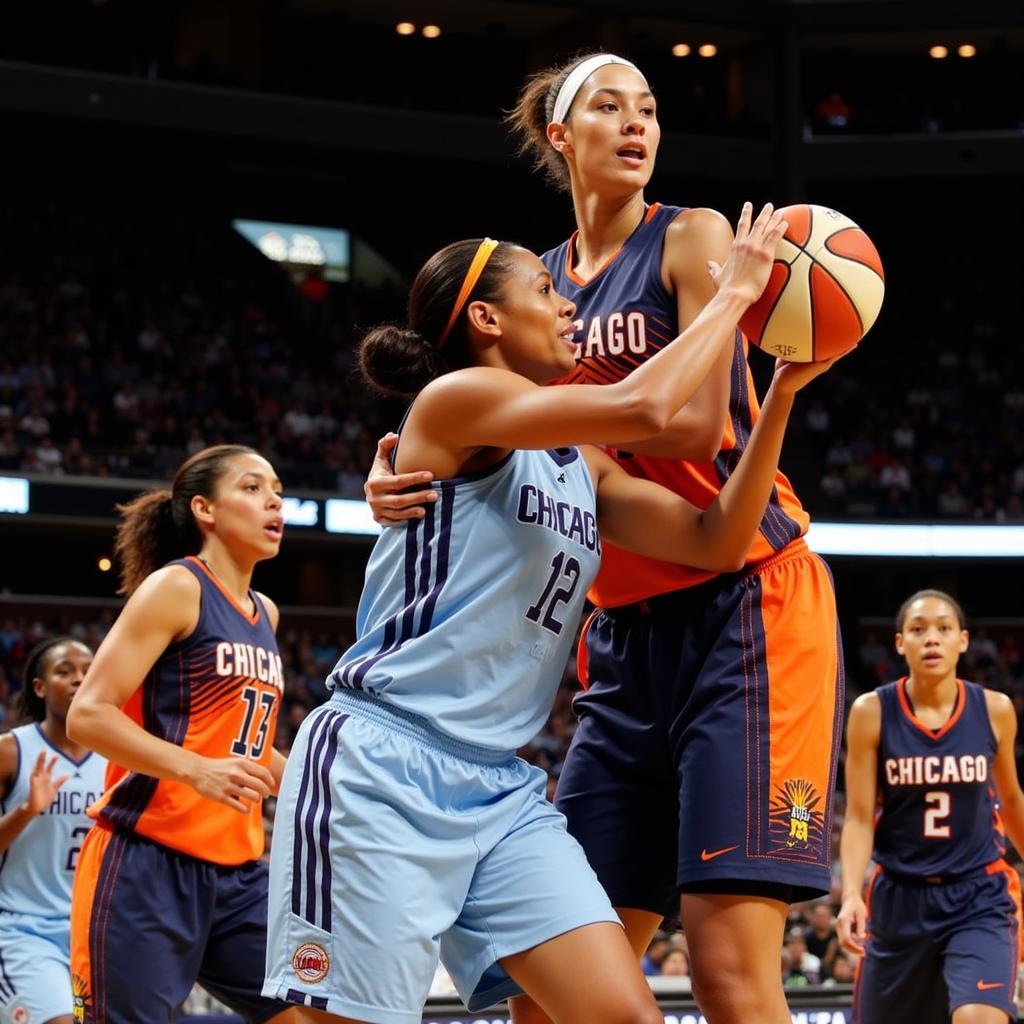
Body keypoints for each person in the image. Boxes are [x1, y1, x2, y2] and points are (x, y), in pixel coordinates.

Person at [264, 208, 836, 1024]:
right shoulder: (456, 401)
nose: (569, 304)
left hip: (498, 785)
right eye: (545, 288)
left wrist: (777, 392)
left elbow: (716, 541)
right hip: (384, 767)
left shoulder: (581, 462)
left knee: (621, 1016)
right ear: (488, 320)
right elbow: (646, 407)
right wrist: (732, 299)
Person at [366, 52, 845, 1024]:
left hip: (748, 606)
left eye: (650, 110)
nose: (636, 124)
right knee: (549, 997)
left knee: (724, 968)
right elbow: (501, 436)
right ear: (560, 135)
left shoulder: (694, 236)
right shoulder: (532, 289)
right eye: (610, 107)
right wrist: (408, 460)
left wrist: (718, 320)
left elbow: (684, 424)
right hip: (620, 636)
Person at [65, 444, 298, 1024]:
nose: (273, 500)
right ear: (204, 509)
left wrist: (319, 785)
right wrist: (196, 769)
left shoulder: (263, 612)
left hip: (239, 873)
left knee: (317, 1011)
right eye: (251, 487)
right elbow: (88, 714)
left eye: (277, 490)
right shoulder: (178, 588)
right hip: (146, 862)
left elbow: (246, 747)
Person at [837, 590, 1024, 1024]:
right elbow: (861, 816)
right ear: (900, 643)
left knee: (980, 1017)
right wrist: (849, 893)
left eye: (943, 628)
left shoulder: (995, 709)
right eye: (918, 630)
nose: (932, 639)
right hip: (900, 896)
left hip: (978, 893)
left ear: (963, 641)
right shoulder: (871, 711)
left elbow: (1011, 799)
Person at [0, 636, 106, 1024]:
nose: (80, 678)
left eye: (88, 671)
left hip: (95, 934)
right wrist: (27, 810)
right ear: (39, 687)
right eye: (65, 671)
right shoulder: (11, 751)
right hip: (23, 929)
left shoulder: (120, 756)